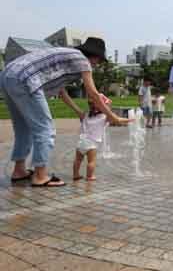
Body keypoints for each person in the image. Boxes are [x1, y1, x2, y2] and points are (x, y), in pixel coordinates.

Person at [0, 37, 131, 187]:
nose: (97, 64)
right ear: (94, 55)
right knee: (45, 129)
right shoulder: (82, 60)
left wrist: (79, 112)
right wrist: (113, 117)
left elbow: (62, 93)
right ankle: (40, 176)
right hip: (25, 79)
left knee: (23, 128)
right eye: (99, 60)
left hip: (7, 75)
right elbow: (93, 93)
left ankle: (19, 171)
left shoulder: (67, 59)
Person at [73, 94, 111, 182]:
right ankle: (90, 176)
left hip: (81, 141)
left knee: (78, 160)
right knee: (91, 161)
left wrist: (95, 97)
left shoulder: (86, 115)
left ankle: (76, 174)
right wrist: (102, 97)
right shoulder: (104, 117)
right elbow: (109, 106)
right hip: (92, 144)